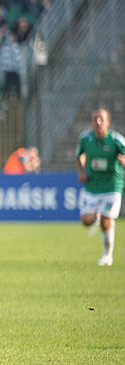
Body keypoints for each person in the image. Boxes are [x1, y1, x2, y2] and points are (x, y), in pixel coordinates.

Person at [76, 108, 125, 266]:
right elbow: (80, 156)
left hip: (112, 186)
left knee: (106, 219)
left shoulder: (117, 140)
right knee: (86, 220)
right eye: (95, 119)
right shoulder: (85, 139)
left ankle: (107, 255)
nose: (98, 122)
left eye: (101, 119)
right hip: (92, 186)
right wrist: (81, 172)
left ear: (108, 122)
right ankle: (98, 217)